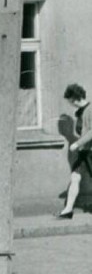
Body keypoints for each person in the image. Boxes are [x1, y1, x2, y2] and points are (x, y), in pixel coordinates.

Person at [57, 83, 92, 219]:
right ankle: (68, 210)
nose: (70, 104)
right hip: (83, 152)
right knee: (75, 178)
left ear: (74, 99)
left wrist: (77, 143)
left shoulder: (90, 109)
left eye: (70, 101)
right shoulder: (81, 112)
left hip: (90, 152)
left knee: (76, 178)